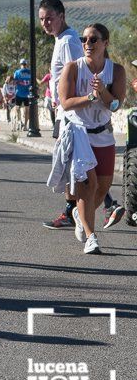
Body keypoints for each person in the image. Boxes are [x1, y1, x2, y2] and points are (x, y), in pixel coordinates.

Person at [39, 0, 125, 230]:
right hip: (70, 111)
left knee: (76, 167)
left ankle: (96, 207)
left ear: (62, 16)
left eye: (49, 18)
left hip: (74, 115)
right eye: (42, 19)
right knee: (74, 166)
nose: (45, 23)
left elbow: (78, 73)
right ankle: (82, 210)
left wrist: (90, 97)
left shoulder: (68, 42)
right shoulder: (62, 39)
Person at [57, 23, 126, 254]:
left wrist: (103, 93)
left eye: (93, 40)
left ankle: (79, 213)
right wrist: (89, 96)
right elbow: (65, 102)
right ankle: (91, 237)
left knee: (103, 187)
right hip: (80, 134)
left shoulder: (116, 71)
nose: (87, 44)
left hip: (104, 135)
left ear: (105, 43)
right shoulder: (73, 68)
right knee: (89, 184)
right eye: (84, 39)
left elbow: (116, 105)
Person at [12, 58, 33, 131]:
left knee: (21, 109)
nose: (23, 66)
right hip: (23, 93)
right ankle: (21, 124)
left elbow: (14, 82)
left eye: (24, 64)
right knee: (22, 109)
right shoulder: (28, 72)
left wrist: (18, 82)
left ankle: (23, 124)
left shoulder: (18, 72)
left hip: (23, 93)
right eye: (23, 64)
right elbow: (14, 82)